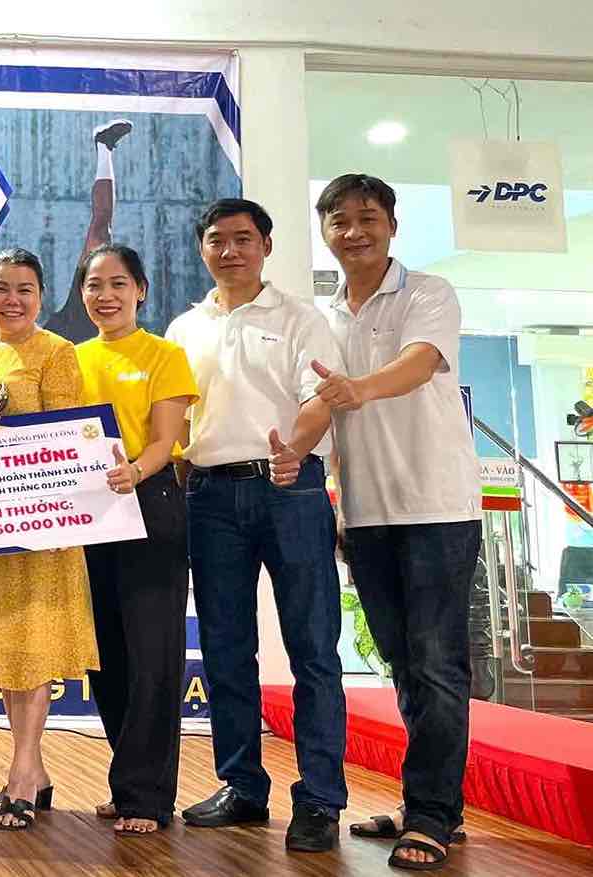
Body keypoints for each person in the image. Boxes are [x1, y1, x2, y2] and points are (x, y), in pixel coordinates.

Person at [167, 198, 348, 853]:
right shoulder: (184, 327)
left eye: (243, 239)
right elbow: (171, 419)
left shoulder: (302, 318)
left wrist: (292, 450)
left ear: (265, 246)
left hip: (291, 488)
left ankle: (321, 798)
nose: (229, 250)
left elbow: (320, 398)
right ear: (202, 249)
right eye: (216, 240)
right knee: (224, 650)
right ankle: (242, 784)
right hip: (209, 494)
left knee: (312, 650)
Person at [313, 173, 481, 871]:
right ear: (323, 229)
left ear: (390, 223)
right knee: (404, 662)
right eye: (339, 220)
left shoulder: (427, 293)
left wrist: (359, 387)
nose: (353, 231)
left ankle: (433, 815)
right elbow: (316, 405)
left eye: (366, 218)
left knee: (439, 663)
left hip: (436, 505)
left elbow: (418, 365)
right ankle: (434, 803)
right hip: (367, 512)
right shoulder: (324, 314)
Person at [0, 247, 99, 832]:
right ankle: (31, 770)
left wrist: (8, 433)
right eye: (2, 288)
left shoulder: (58, 352)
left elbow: (66, 435)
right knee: (9, 650)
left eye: (26, 289)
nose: (13, 300)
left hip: (42, 525)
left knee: (35, 648)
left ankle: (20, 776)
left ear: (40, 295)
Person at [72, 244, 198, 835]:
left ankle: (148, 797)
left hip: (148, 502)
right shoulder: (72, 358)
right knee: (107, 655)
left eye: (118, 283)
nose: (106, 295)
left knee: (153, 654)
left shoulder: (164, 355)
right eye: (94, 285)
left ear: (141, 290)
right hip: (87, 512)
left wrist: (136, 473)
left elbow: (164, 440)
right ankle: (127, 783)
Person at [44, 119, 134, 343]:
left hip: (73, 328)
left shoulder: (77, 320)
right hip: (76, 336)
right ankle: (104, 147)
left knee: (101, 230)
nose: (108, 296)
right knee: (102, 230)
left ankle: (104, 148)